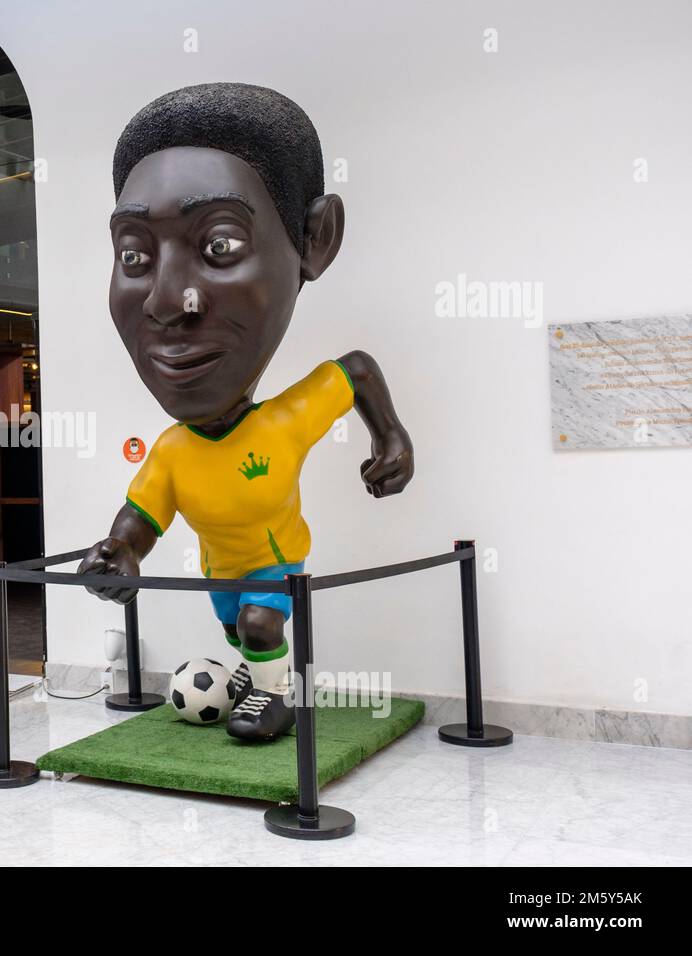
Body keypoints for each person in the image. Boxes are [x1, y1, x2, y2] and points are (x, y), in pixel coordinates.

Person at [79, 83, 414, 741]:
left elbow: (354, 371)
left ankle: (274, 696)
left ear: (315, 241)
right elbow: (141, 515)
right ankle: (252, 673)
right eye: (134, 256)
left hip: (273, 562)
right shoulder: (174, 451)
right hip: (219, 571)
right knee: (238, 626)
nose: (166, 301)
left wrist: (392, 437)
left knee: (264, 624)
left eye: (220, 245)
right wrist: (119, 553)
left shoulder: (283, 421)